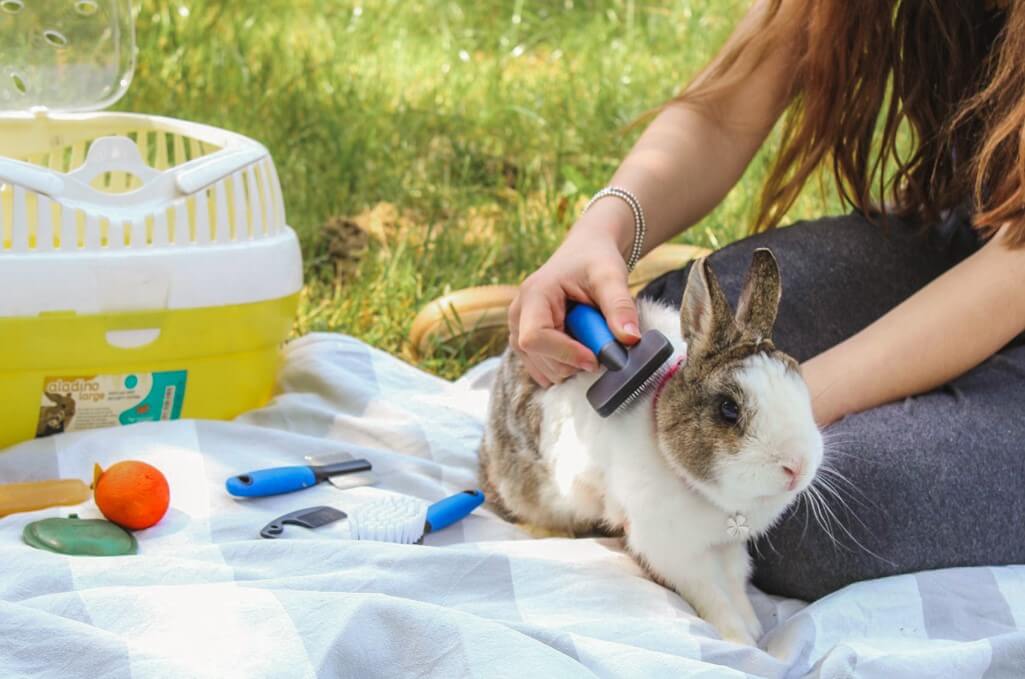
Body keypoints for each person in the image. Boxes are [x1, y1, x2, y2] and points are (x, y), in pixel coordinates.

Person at [506, 0, 1025, 600]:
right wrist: (602, 232)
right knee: (683, 326)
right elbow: (727, 109)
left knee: (796, 518)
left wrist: (770, 423)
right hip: (981, 228)